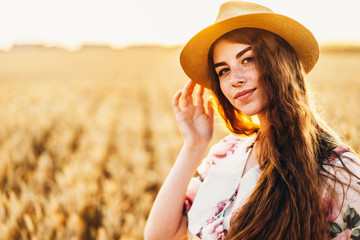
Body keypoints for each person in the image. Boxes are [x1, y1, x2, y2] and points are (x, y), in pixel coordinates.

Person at [144, 1, 360, 239]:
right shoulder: (225, 153)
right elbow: (161, 235)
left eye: (247, 59)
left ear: (281, 62)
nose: (235, 79)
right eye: (223, 70)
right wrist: (193, 146)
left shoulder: (339, 170)